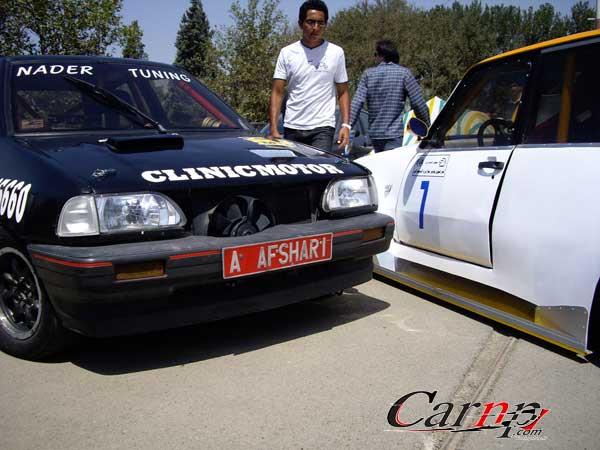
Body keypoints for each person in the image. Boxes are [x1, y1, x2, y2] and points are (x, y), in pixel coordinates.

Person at [268, 0, 350, 152]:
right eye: (310, 22)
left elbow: (343, 91)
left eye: (320, 23)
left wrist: (345, 125)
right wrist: (273, 128)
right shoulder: (287, 53)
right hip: (292, 126)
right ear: (301, 24)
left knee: (320, 165)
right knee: (294, 167)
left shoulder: (336, 53)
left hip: (323, 128)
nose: (315, 28)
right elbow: (277, 92)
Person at [350, 40, 430, 153]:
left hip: (375, 134)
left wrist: (347, 126)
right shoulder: (404, 74)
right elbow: (418, 103)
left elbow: (357, 103)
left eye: (375, 54)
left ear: (381, 56)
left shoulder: (368, 75)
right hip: (394, 134)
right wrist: (426, 125)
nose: (374, 58)